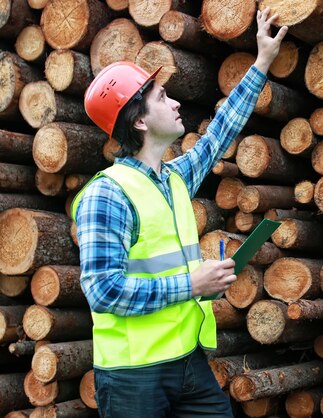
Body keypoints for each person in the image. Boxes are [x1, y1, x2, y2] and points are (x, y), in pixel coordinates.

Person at [71, 8, 287, 418]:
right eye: (161, 97)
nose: (173, 102)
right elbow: (103, 291)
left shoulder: (173, 178)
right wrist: (192, 284)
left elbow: (220, 131)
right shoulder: (109, 194)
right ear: (139, 122)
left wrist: (261, 62)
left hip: (187, 362)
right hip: (133, 377)